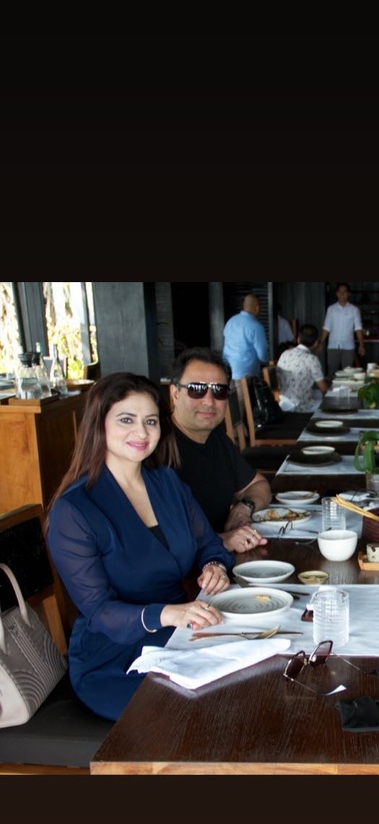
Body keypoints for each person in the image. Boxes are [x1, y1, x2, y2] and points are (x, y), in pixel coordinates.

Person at [45, 372, 234, 720]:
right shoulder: (74, 510)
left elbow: (209, 543)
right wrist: (168, 614)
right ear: (99, 425)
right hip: (114, 657)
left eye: (150, 421)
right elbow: (99, 611)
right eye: (126, 420)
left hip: (181, 632)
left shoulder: (167, 482)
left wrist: (214, 566)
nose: (142, 432)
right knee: (209, 712)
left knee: (252, 680)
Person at [168, 347, 271, 553]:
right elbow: (158, 539)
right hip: (191, 568)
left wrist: (244, 507)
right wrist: (222, 540)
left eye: (219, 391)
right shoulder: (158, 448)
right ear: (175, 393)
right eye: (196, 389)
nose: (209, 401)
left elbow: (259, 485)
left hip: (222, 558)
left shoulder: (216, 438)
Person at [276, 323, 329, 410]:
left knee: (316, 393)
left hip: (284, 404)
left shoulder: (285, 354)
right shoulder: (312, 359)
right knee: (330, 402)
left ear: (298, 339)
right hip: (302, 406)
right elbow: (323, 388)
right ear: (316, 343)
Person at [222, 292, 269, 382]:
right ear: (257, 308)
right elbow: (262, 355)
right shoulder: (256, 326)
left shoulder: (231, 321)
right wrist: (267, 362)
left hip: (228, 371)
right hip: (247, 375)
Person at [320, 283, 365, 376]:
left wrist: (361, 344)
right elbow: (327, 327)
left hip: (348, 346)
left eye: (344, 292)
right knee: (332, 373)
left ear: (348, 294)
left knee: (348, 374)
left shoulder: (354, 310)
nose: (342, 294)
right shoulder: (331, 309)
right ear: (337, 293)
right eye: (340, 292)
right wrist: (321, 342)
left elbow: (358, 328)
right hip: (333, 346)